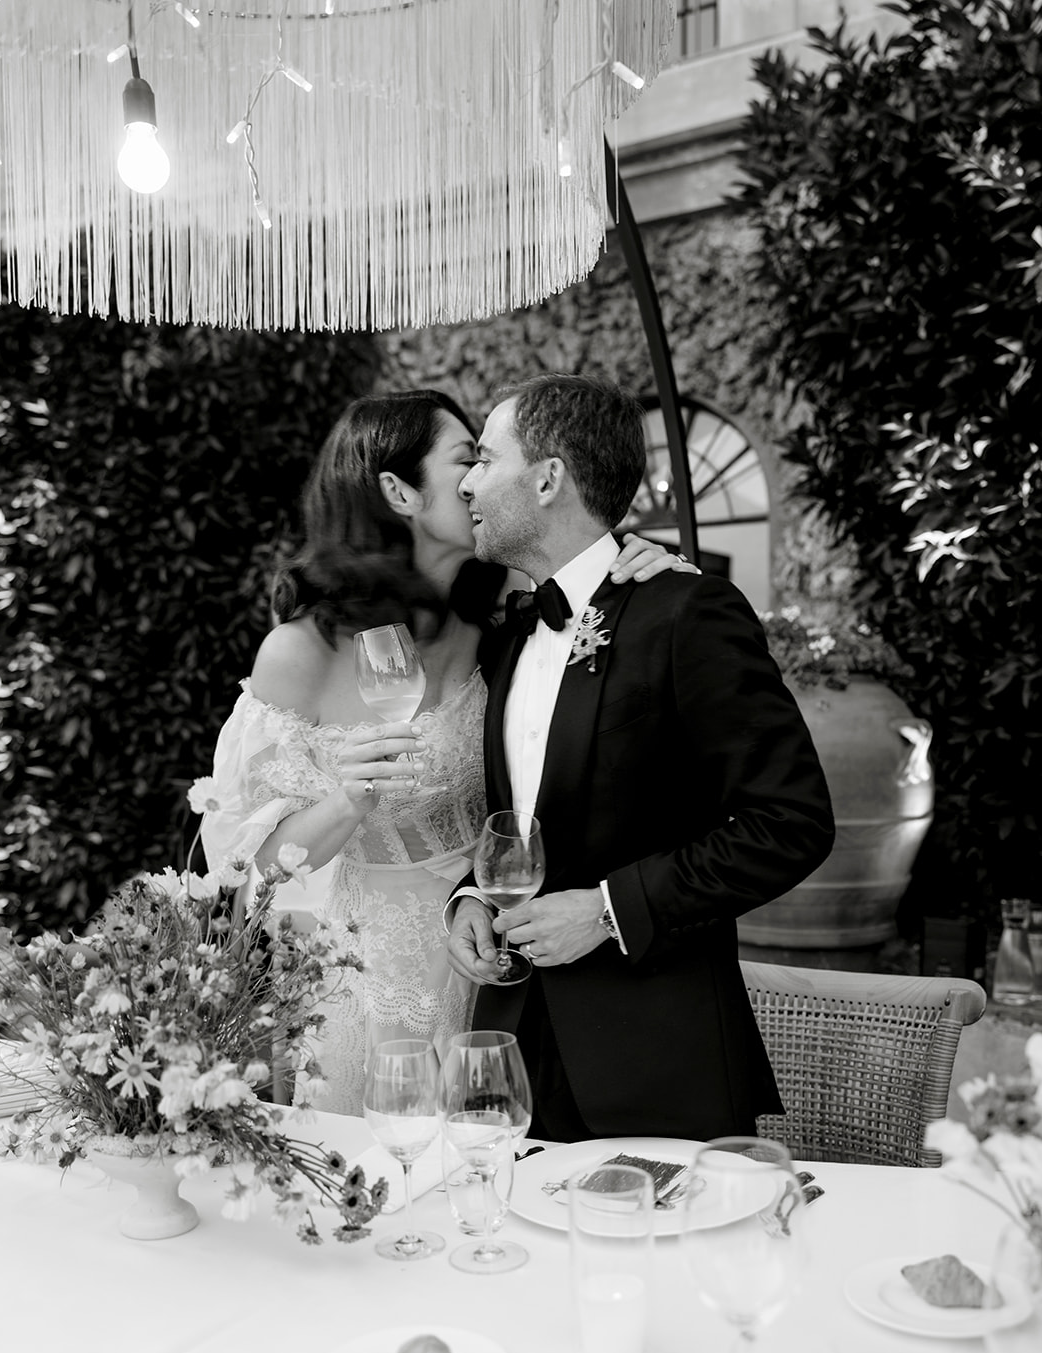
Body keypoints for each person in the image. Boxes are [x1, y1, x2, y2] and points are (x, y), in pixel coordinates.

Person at [196, 389, 690, 1113]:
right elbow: (246, 868)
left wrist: (633, 559)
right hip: (377, 969)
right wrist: (346, 801)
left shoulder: (504, 620)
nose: (479, 480)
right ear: (399, 492)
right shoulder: (300, 653)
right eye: (468, 460)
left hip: (504, 941)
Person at [446, 374, 835, 1142]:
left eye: (484, 460)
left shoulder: (687, 612)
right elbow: (533, 811)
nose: (466, 483)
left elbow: (790, 822)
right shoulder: (509, 633)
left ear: (547, 478)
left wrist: (607, 911)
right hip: (513, 1043)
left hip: (653, 1055)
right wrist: (471, 895)